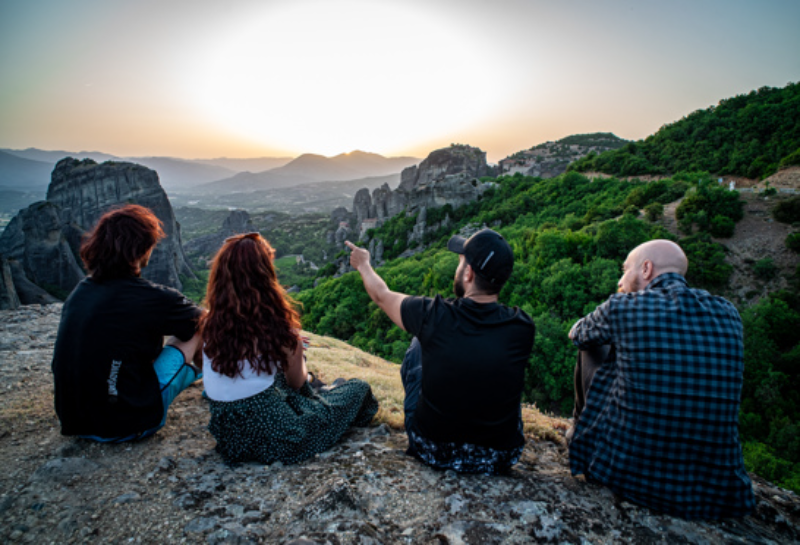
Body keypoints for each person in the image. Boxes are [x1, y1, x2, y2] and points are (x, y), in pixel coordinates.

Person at [568, 239, 755, 519]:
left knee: (592, 345)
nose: (621, 280)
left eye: (625, 270)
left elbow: (578, 334)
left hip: (626, 475)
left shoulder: (622, 307)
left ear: (646, 269)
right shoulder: (729, 313)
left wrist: (614, 313)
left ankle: (578, 434)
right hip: (717, 493)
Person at [345, 228, 535, 475]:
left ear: (468, 273)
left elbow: (381, 295)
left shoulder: (432, 316)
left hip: (434, 450)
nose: (458, 268)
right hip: (500, 456)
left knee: (418, 345)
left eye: (460, 262)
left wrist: (364, 265)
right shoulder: (523, 327)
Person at [201, 232, 378, 465]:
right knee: (358, 389)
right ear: (265, 276)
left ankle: (327, 393)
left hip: (230, 440)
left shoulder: (208, 325)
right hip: (280, 442)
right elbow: (297, 383)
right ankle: (331, 394)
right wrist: (297, 355)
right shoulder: (277, 330)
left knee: (278, 386)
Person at [52, 204, 203, 442]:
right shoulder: (154, 298)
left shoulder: (81, 291)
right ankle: (218, 388)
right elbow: (210, 322)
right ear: (143, 249)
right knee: (198, 327)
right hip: (126, 423)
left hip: (74, 420)